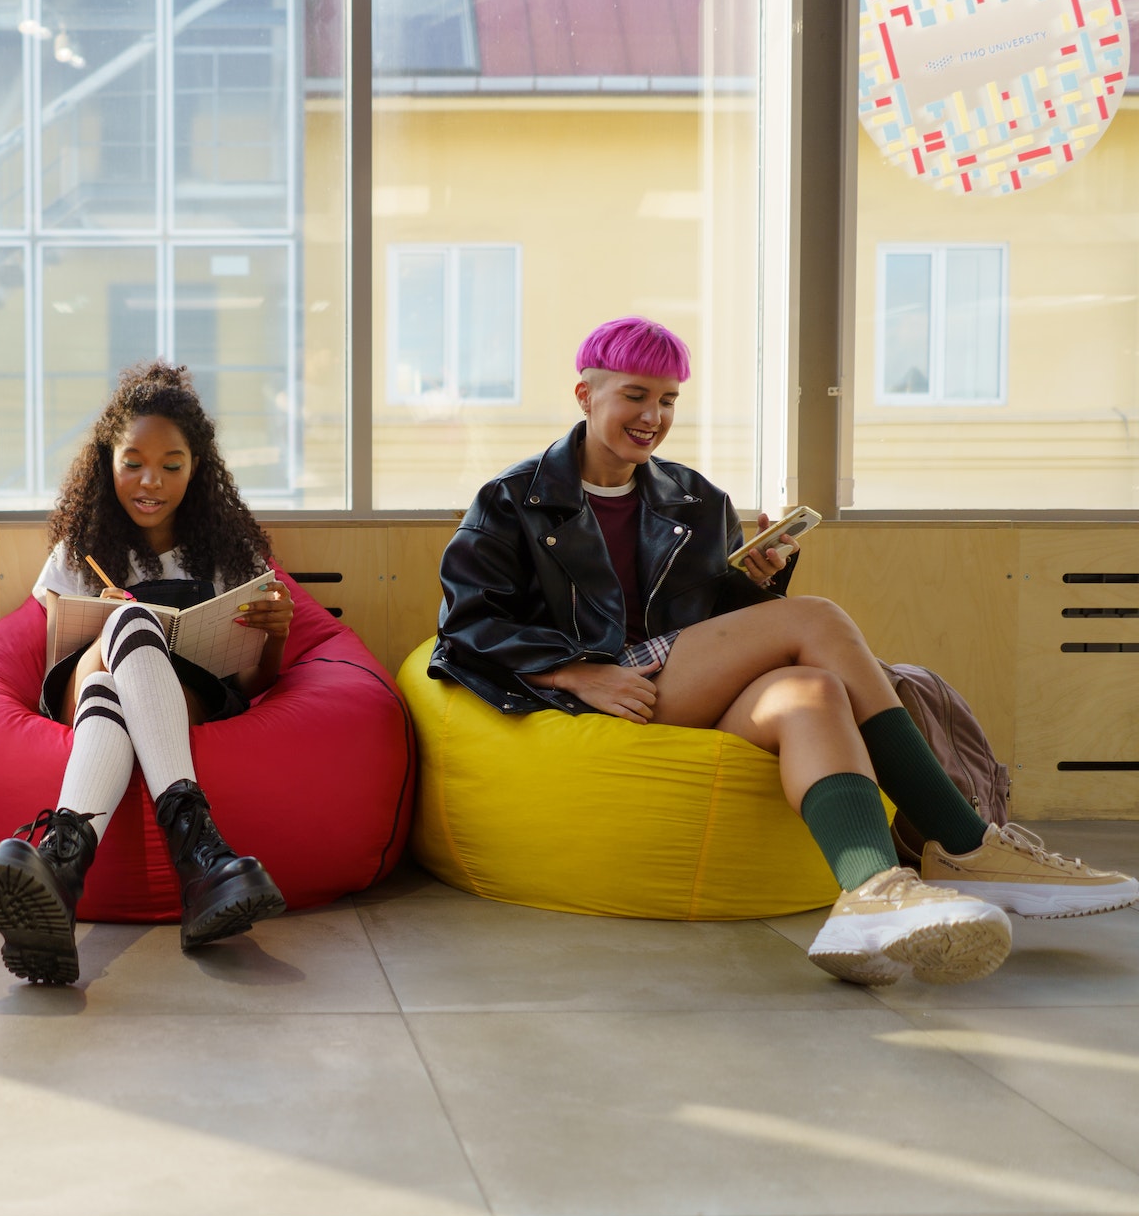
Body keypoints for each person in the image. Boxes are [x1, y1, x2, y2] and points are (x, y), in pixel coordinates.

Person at [431, 317, 1137, 987]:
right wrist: (582, 674)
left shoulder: (694, 499)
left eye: (670, 399)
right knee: (820, 620)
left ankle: (869, 895)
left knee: (813, 691)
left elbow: (719, 626)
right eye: (635, 395)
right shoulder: (513, 499)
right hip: (617, 688)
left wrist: (755, 582)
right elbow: (465, 623)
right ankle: (964, 841)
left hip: (682, 680)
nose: (654, 415)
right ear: (586, 394)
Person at [0, 360, 292, 984]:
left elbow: (252, 688)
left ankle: (60, 865)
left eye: (172, 465)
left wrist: (276, 639)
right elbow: (48, 650)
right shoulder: (76, 552)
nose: (151, 481)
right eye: (132, 462)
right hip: (80, 687)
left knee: (125, 638)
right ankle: (198, 852)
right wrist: (120, 627)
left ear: (197, 468)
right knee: (123, 626)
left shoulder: (230, 554)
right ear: (105, 460)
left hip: (190, 696)